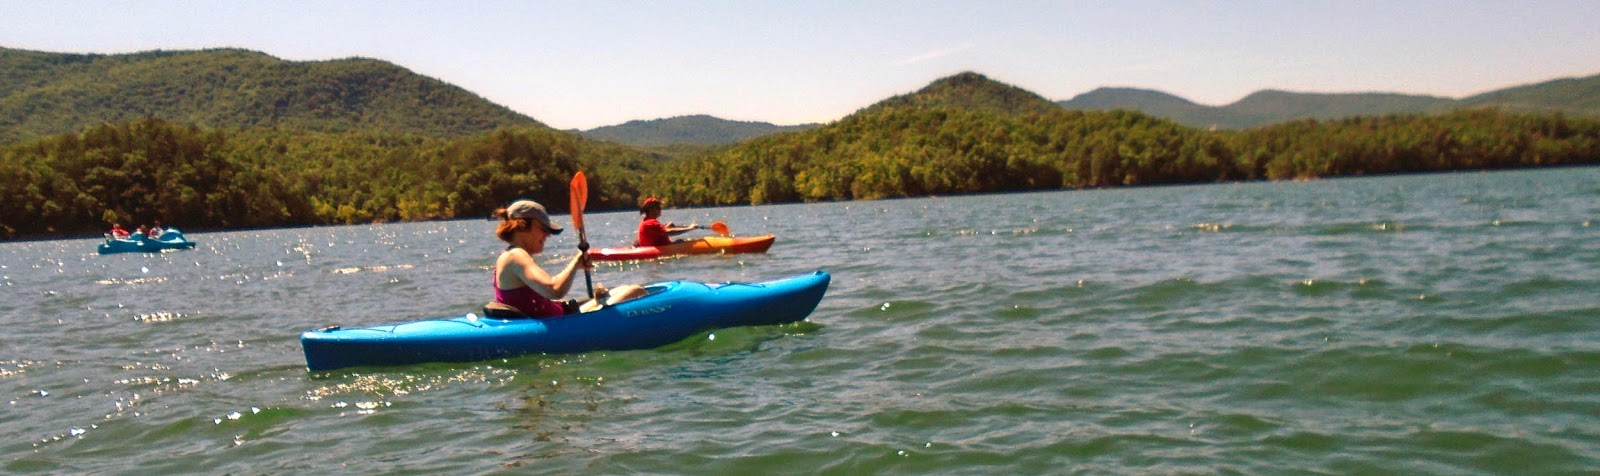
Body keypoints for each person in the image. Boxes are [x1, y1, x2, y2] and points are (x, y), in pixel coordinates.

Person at [491, 199, 646, 318]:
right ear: (522, 225)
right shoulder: (516, 256)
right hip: (558, 325)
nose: (547, 235)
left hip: (560, 316)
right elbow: (554, 290)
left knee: (622, 290)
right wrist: (575, 262)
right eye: (543, 229)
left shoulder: (508, 256)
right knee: (636, 291)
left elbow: (540, 300)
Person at [634, 197, 699, 247]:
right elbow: (668, 232)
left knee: (681, 241)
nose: (660, 209)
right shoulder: (650, 222)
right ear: (650, 209)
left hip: (658, 247)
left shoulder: (646, 221)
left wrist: (667, 226)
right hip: (660, 249)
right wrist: (689, 228)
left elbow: (658, 231)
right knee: (683, 241)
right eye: (658, 207)